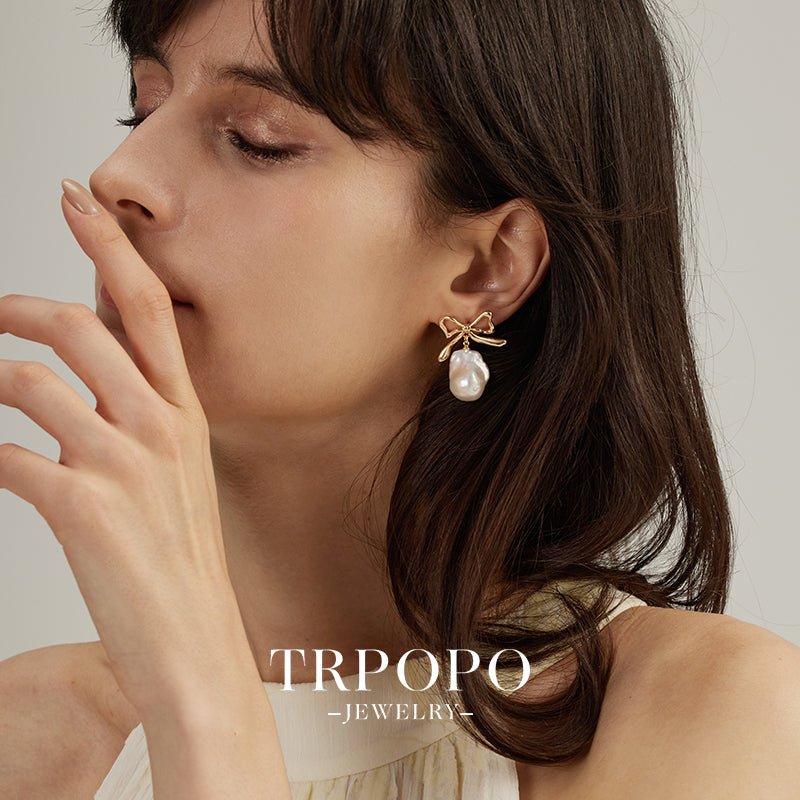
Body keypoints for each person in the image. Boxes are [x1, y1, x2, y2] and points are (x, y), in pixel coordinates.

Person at [1, 0, 799, 797]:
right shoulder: (26, 736)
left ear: (486, 267)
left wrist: (199, 700)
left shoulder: (714, 714)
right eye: (143, 106)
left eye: (255, 138)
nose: (119, 174)